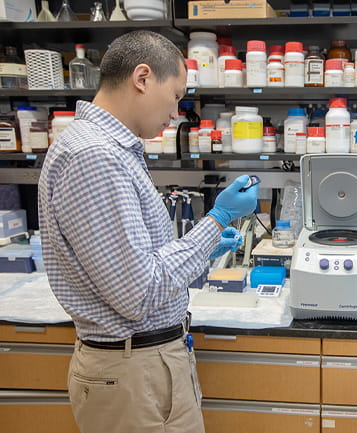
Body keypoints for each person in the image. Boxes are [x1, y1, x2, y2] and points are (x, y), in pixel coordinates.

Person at [37, 30, 258, 433]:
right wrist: (217, 219)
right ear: (142, 78)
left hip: (145, 365)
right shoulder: (95, 157)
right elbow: (139, 293)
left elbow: (138, 262)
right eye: (175, 96)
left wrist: (199, 250)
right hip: (132, 373)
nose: (177, 112)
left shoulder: (111, 149)